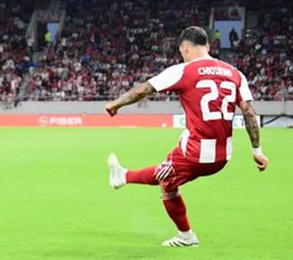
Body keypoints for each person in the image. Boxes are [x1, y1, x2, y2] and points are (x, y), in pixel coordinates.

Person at [103, 26, 268, 248]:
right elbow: (249, 112)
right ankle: (122, 176)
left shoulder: (183, 71)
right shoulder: (235, 73)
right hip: (222, 156)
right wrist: (257, 151)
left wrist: (116, 104)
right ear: (207, 46)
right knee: (167, 175)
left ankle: (186, 236)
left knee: (166, 183)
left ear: (185, 48)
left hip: (196, 153)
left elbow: (143, 90)